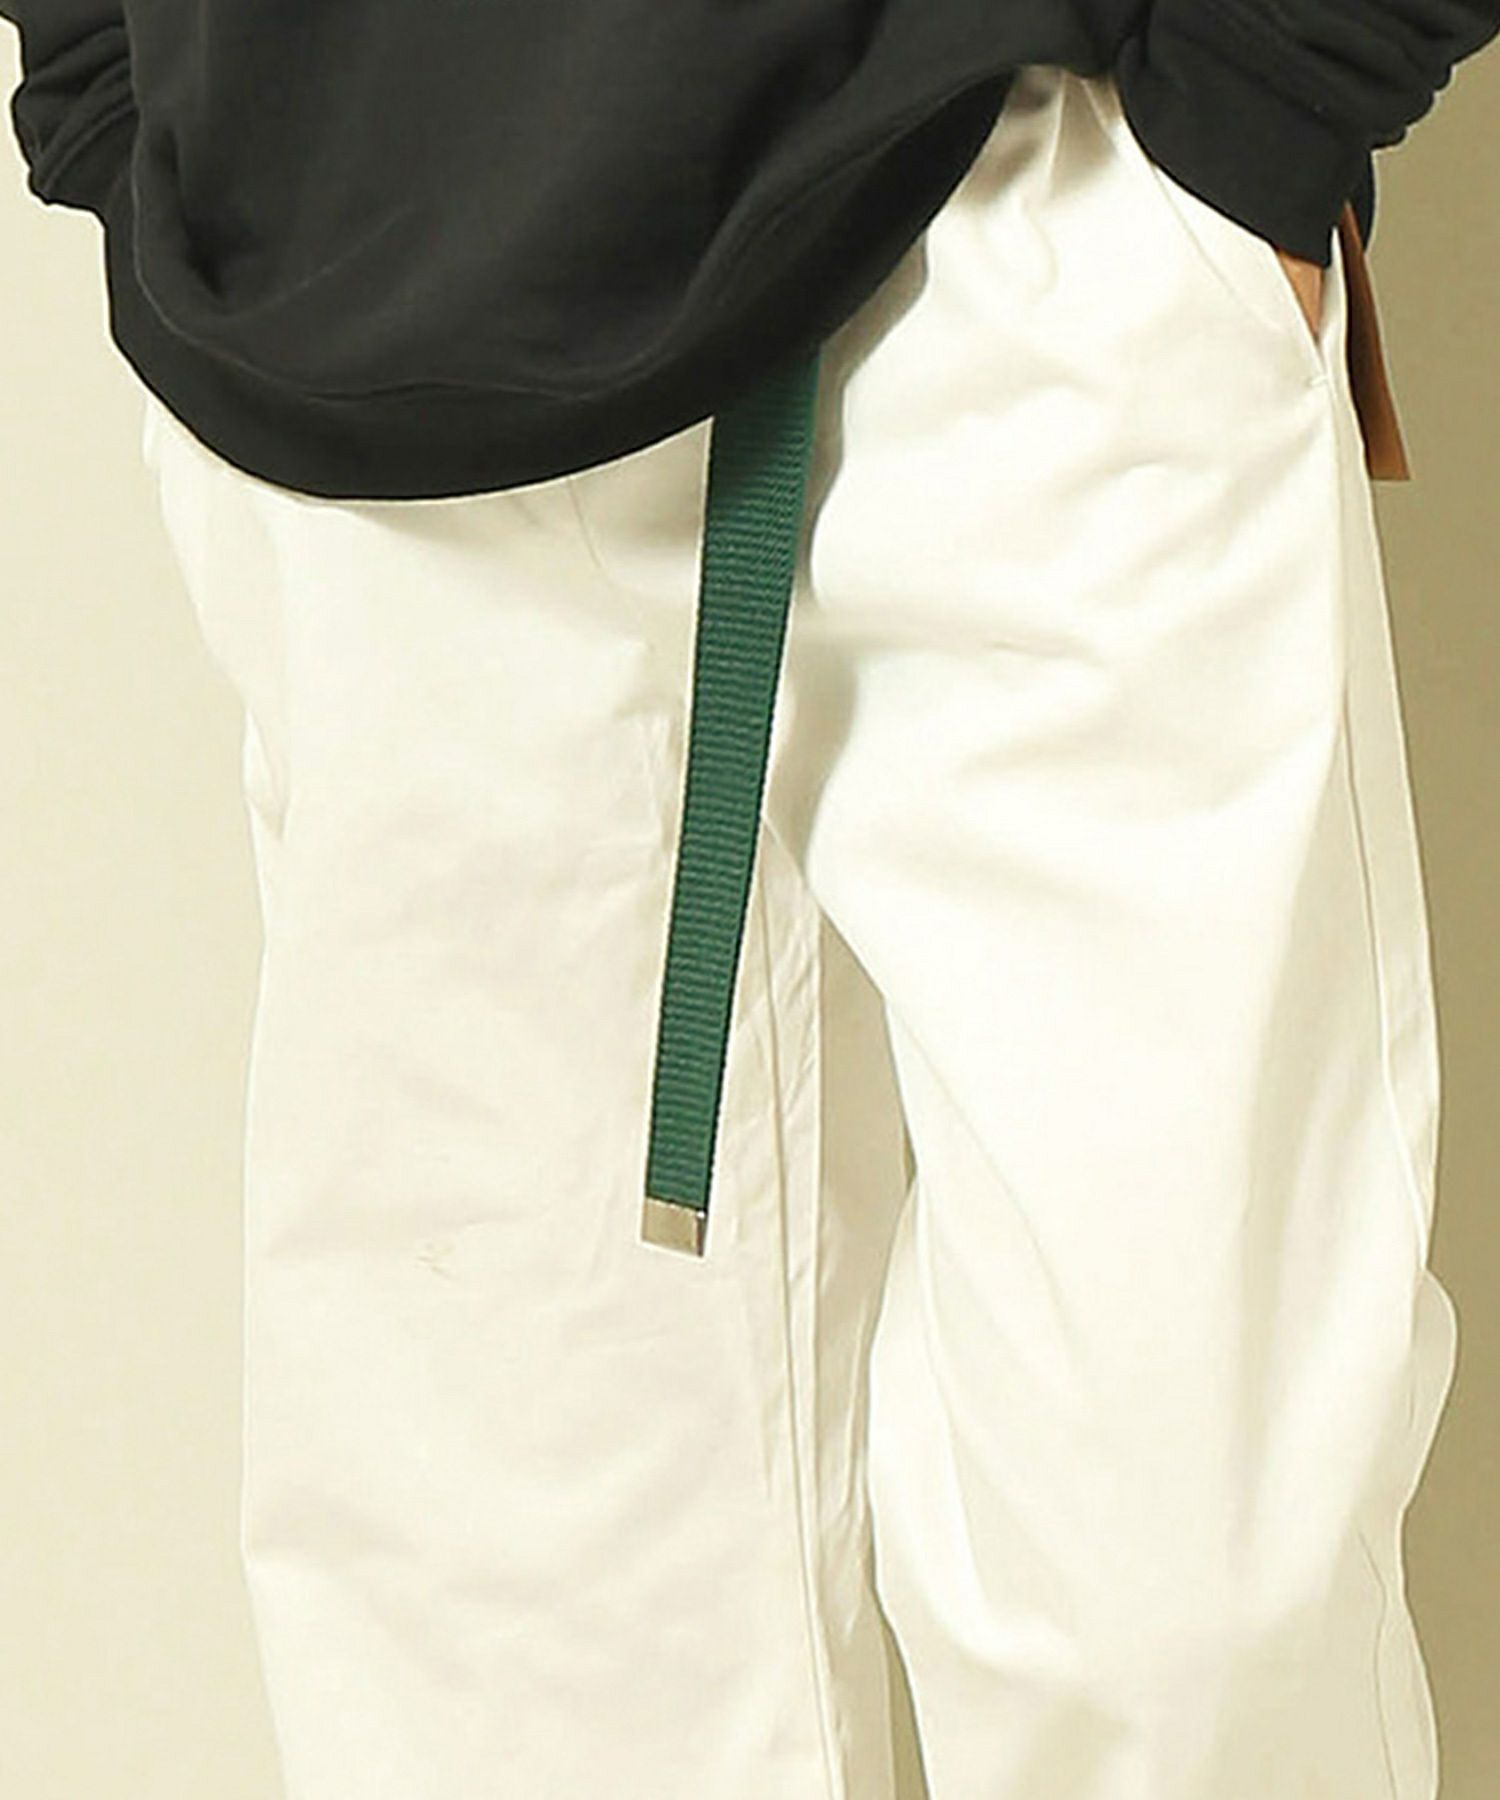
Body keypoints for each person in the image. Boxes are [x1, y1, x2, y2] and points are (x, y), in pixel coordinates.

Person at [5, 4, 1497, 1796]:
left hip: (1011, 222)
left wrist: (1286, 71)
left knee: (1182, 1607)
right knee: (517, 1681)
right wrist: (101, 80)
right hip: (356, 299)